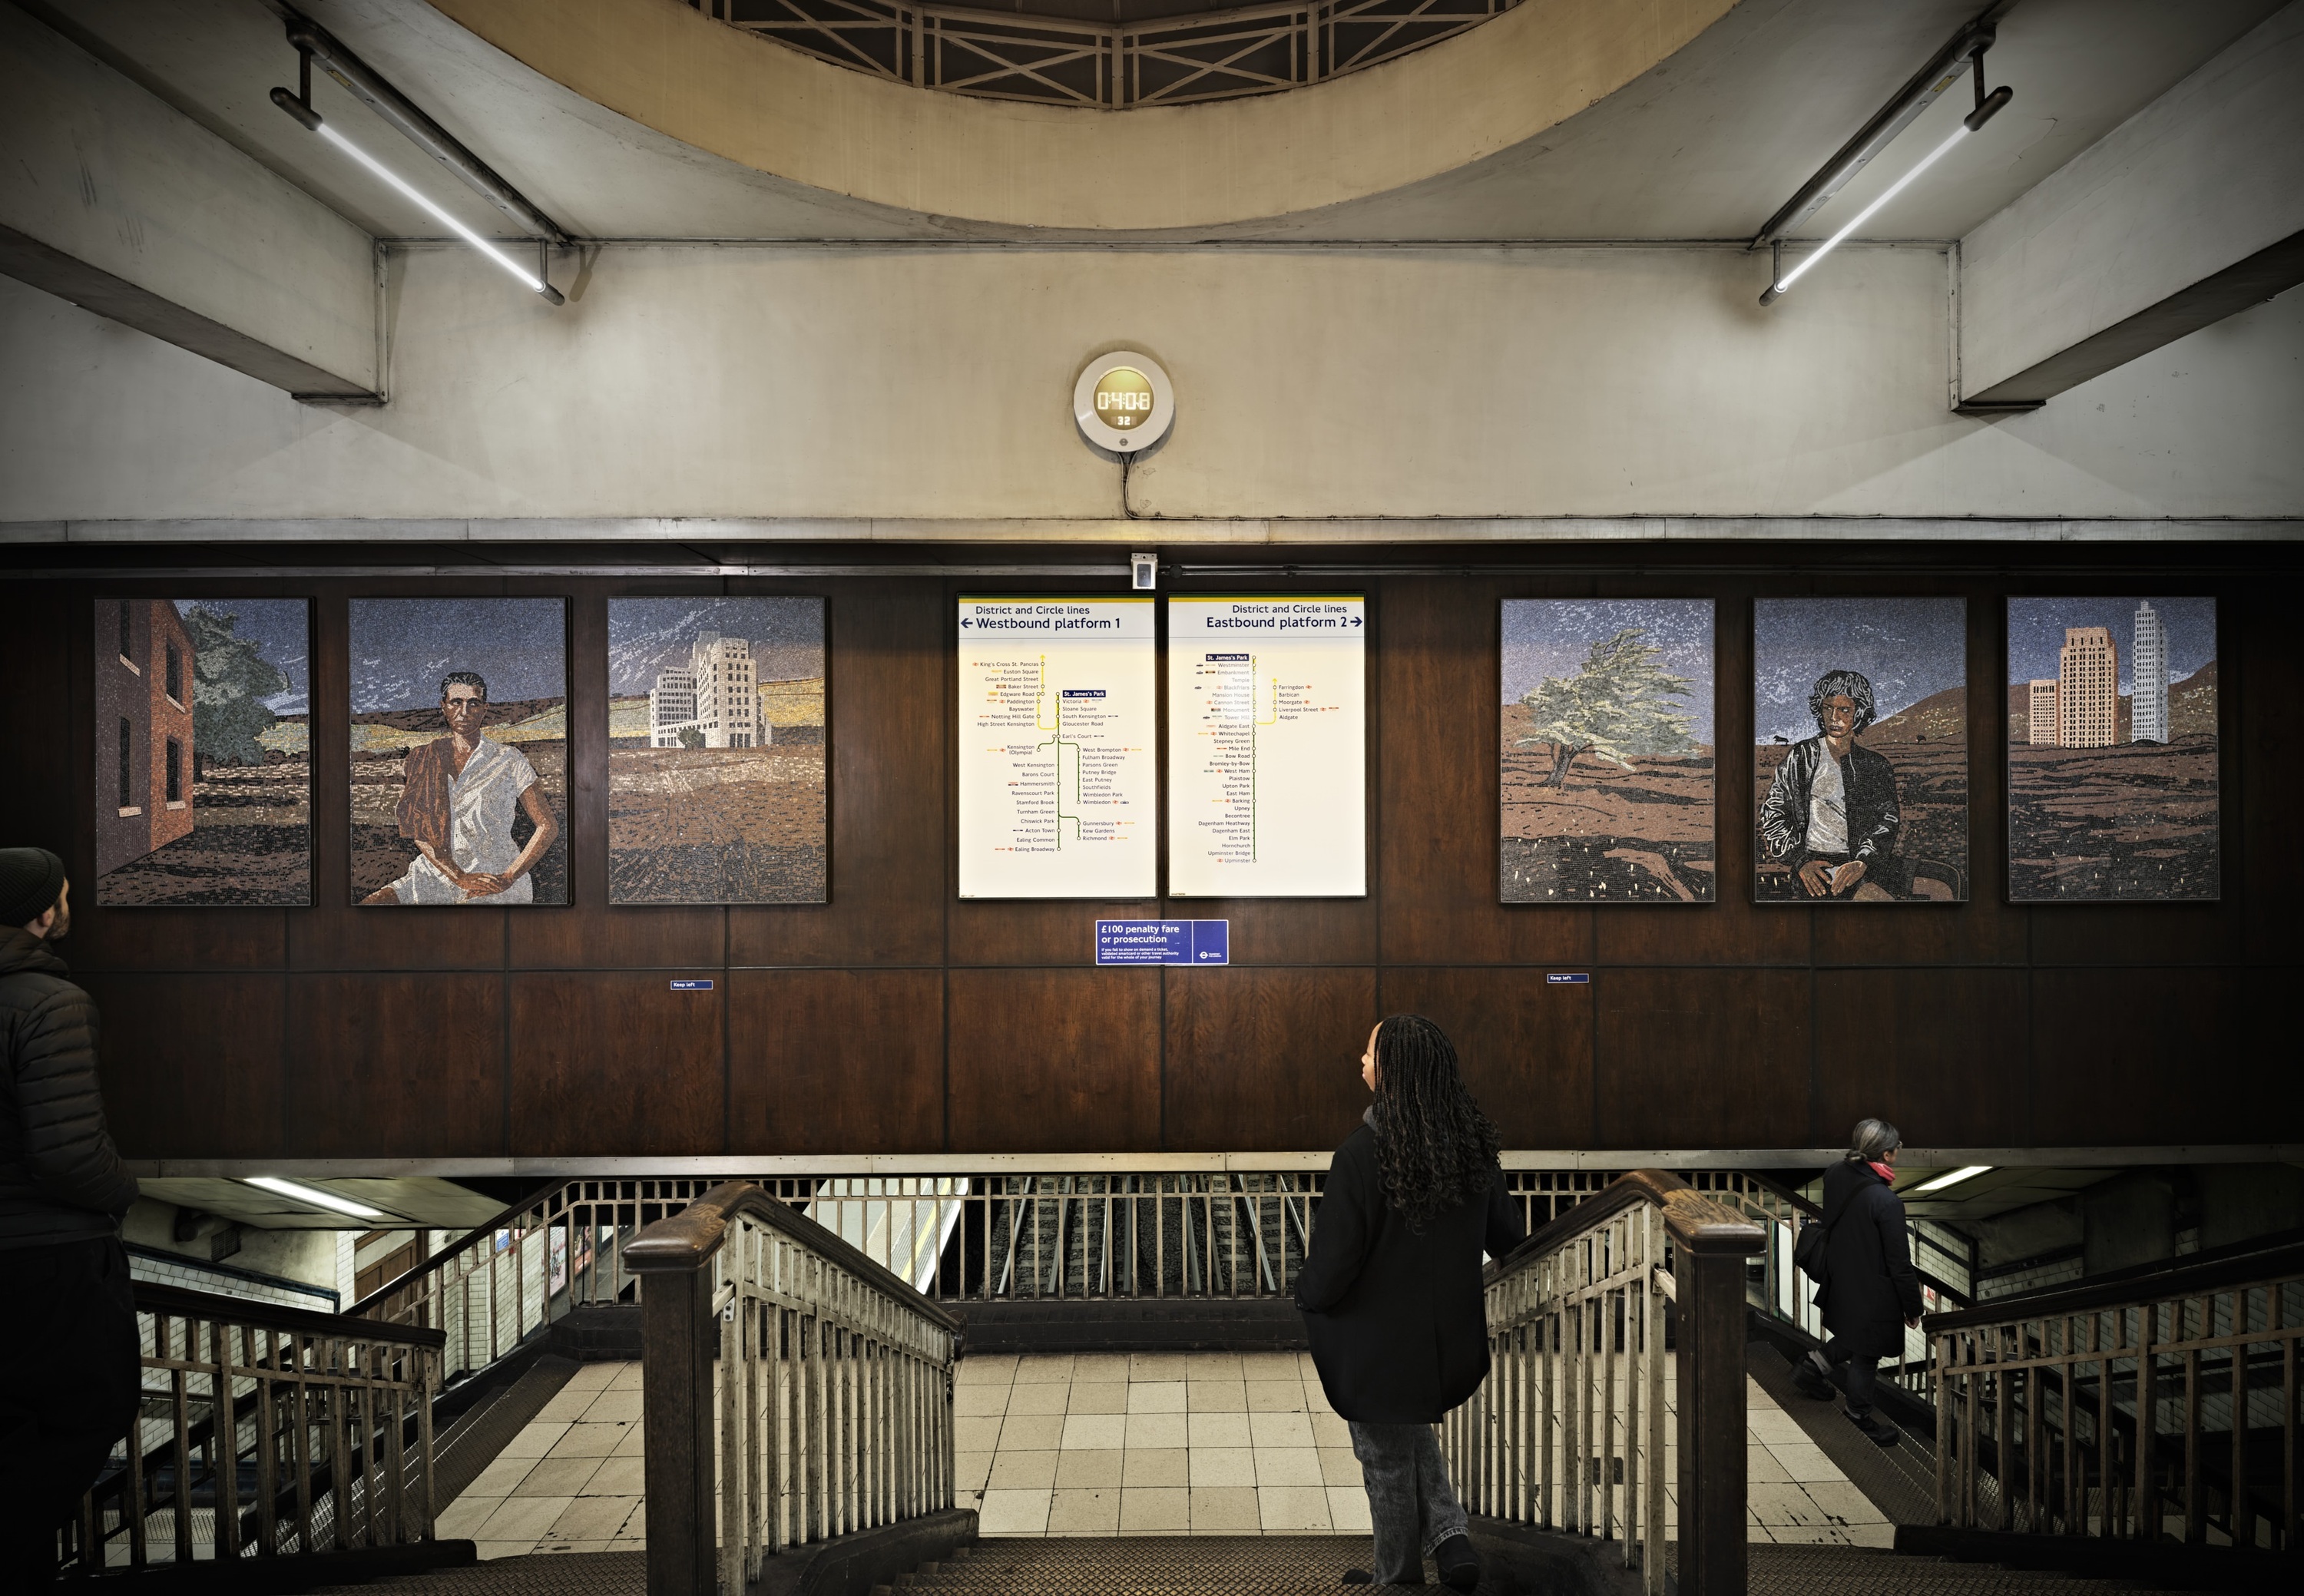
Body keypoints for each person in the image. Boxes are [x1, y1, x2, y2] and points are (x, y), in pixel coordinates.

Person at [1295, 1015, 1524, 1589]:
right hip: (1448, 1341)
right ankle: (1450, 1540)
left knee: (1385, 1459)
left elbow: (1334, 1264)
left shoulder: (1361, 1155)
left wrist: (1308, 1301)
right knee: (1407, 1432)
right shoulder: (1473, 1150)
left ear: (1392, 1070)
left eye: (1370, 1053)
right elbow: (1509, 1239)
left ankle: (1397, 1580)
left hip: (1375, 1347)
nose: (1362, 1061)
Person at [0, 848, 143, 1586]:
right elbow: (67, 1156)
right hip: (50, 1257)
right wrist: (125, 1193)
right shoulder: (49, 1004)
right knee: (92, 1406)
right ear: (45, 912)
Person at [362, 672, 558, 905]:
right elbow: (419, 829)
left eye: (473, 703)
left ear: (484, 708)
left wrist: (509, 876)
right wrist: (459, 876)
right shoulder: (424, 757)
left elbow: (547, 825)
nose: (464, 712)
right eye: (456, 702)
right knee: (371, 906)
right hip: (436, 871)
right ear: (443, 706)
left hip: (492, 876)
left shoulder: (509, 759)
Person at [1792, 1118, 1924, 1445]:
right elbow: (1900, 1264)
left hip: (1843, 1274)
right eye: (1898, 1147)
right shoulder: (1887, 1202)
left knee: (1855, 1335)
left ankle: (1812, 1366)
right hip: (1874, 1287)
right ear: (1889, 1155)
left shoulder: (1837, 1172)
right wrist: (1913, 1306)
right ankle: (1858, 1417)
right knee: (1867, 1354)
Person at [1758, 669, 1905, 900]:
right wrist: (1800, 861)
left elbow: (1887, 819)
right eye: (1828, 708)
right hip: (1817, 866)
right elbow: (1773, 813)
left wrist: (1863, 860)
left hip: (1864, 861)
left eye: (1844, 710)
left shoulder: (1875, 765)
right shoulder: (1801, 757)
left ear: (1859, 712)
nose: (1834, 717)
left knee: (1943, 882)